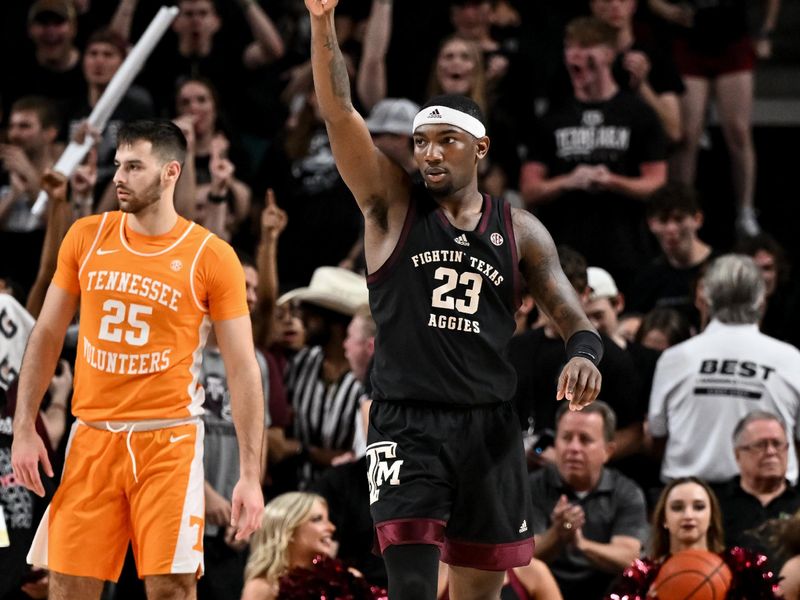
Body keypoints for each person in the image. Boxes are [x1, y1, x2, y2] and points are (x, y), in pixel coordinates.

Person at [306, 2, 603, 598]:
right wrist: (322, 22)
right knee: (412, 586)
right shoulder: (390, 206)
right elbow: (340, 112)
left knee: (477, 592)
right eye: (421, 142)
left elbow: (572, 313)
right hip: (405, 423)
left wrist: (585, 353)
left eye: (446, 141)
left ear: (481, 148)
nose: (430, 153)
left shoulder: (518, 229)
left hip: (489, 428)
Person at [10, 119, 264, 599]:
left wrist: (250, 476)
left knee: (171, 588)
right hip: (92, 438)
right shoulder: (87, 236)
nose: (119, 177)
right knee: (65, 586)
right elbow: (44, 335)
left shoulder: (211, 256)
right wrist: (25, 426)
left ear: (171, 173)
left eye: (133, 166)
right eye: (117, 165)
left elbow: (243, 370)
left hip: (167, 442)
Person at [520, 16, 667, 294]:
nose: (576, 54)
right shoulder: (553, 117)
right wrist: (568, 181)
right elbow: (530, 189)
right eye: (570, 47)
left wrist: (612, 181)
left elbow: (657, 183)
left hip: (626, 250)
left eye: (587, 46)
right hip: (564, 250)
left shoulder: (638, 114)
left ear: (609, 54)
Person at [648, 254, 800, 486]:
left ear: (706, 300)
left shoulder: (675, 358)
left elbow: (657, 437)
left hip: (691, 500)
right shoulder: (790, 359)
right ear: (761, 301)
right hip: (767, 497)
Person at [648, 0, 781, 236]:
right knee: (688, 135)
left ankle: (745, 211)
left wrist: (765, 31)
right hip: (690, 41)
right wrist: (667, 11)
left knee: (738, 131)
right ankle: (681, 211)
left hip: (732, 41)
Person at [529, 401, 647, 600]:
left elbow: (629, 558)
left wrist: (581, 544)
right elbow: (522, 559)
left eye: (585, 440)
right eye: (566, 438)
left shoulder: (627, 491)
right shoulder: (532, 487)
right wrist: (557, 533)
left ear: (608, 451)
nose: (574, 448)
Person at [606, 477, 781, 599]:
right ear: (664, 520)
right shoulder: (641, 579)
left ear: (712, 517)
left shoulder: (743, 572)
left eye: (698, 507)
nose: (688, 515)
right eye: (677, 507)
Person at [241, 492, 386, 600]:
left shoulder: (350, 578)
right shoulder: (263, 588)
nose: (331, 527)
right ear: (288, 530)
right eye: (317, 519)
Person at [627, 182, 717, 331]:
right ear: (651, 224)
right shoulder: (647, 278)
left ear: (697, 219)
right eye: (663, 220)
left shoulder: (721, 267)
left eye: (679, 219)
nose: (671, 229)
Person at [716, 411, 800, 566]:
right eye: (760, 445)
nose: (771, 452)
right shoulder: (715, 505)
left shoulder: (798, 506)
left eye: (777, 444)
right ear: (737, 454)